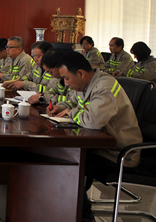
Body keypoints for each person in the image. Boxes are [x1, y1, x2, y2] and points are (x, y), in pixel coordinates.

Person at [48, 51, 142, 222]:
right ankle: (72, 210)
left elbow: (92, 121)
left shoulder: (104, 86)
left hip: (120, 154)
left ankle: (84, 217)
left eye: (67, 78)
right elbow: (73, 101)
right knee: (63, 157)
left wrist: (72, 112)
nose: (66, 83)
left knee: (69, 165)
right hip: (102, 147)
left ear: (81, 73)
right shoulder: (85, 84)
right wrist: (59, 107)